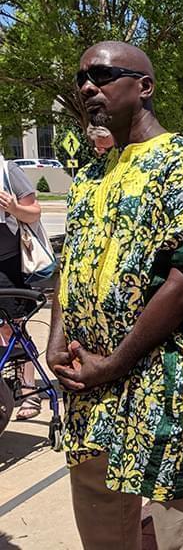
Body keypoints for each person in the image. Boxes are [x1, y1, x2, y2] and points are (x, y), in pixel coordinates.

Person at [46, 41, 183, 550]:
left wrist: (115, 362)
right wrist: (57, 340)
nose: (88, 87)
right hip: (90, 381)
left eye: (104, 74)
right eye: (82, 76)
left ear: (144, 87)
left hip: (163, 380)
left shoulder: (181, 164)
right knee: (99, 506)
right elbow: (74, 263)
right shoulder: (89, 175)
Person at [0, 154, 43, 420]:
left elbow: (35, 211)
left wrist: (14, 208)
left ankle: (30, 391)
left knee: (12, 325)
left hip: (8, 263)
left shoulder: (7, 169)